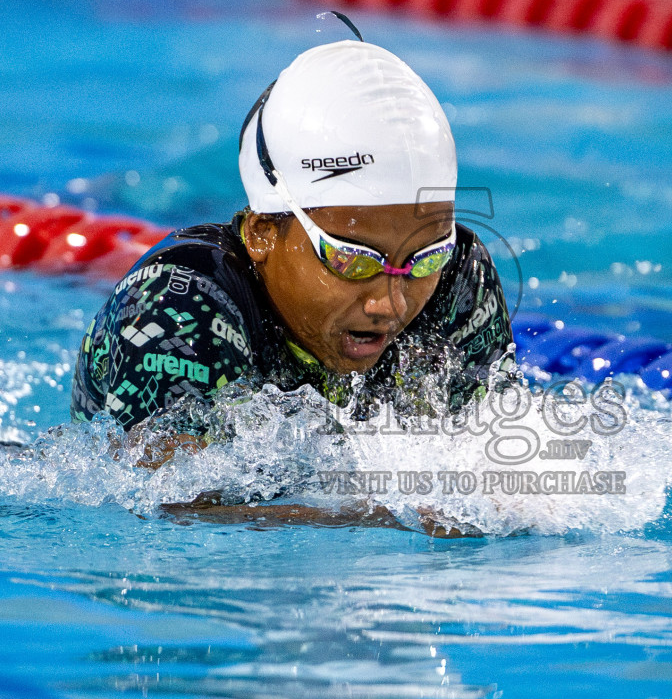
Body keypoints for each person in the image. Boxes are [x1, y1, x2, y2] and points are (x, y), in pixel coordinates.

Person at [69, 34, 514, 456]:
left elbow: (498, 447)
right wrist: (394, 511)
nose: (390, 303)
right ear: (264, 231)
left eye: (424, 259)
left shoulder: (458, 279)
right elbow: (167, 500)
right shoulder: (181, 300)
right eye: (353, 259)